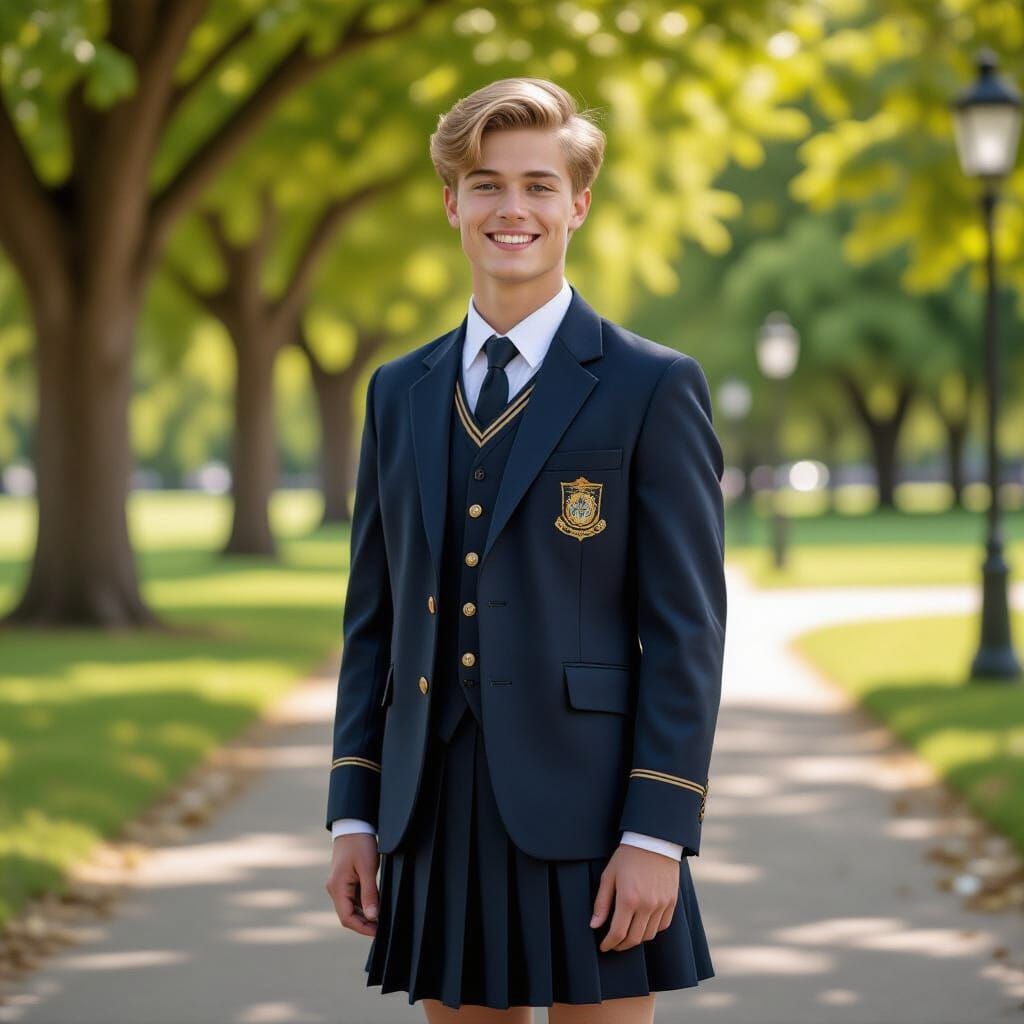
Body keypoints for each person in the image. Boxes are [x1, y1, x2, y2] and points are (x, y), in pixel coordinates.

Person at [325, 77, 727, 1024]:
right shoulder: (398, 391)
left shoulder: (651, 385)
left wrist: (658, 832)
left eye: (541, 186)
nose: (514, 208)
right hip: (431, 807)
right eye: (487, 183)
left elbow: (685, 634)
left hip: (594, 810)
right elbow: (371, 620)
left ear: (579, 203)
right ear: (452, 202)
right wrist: (354, 812)